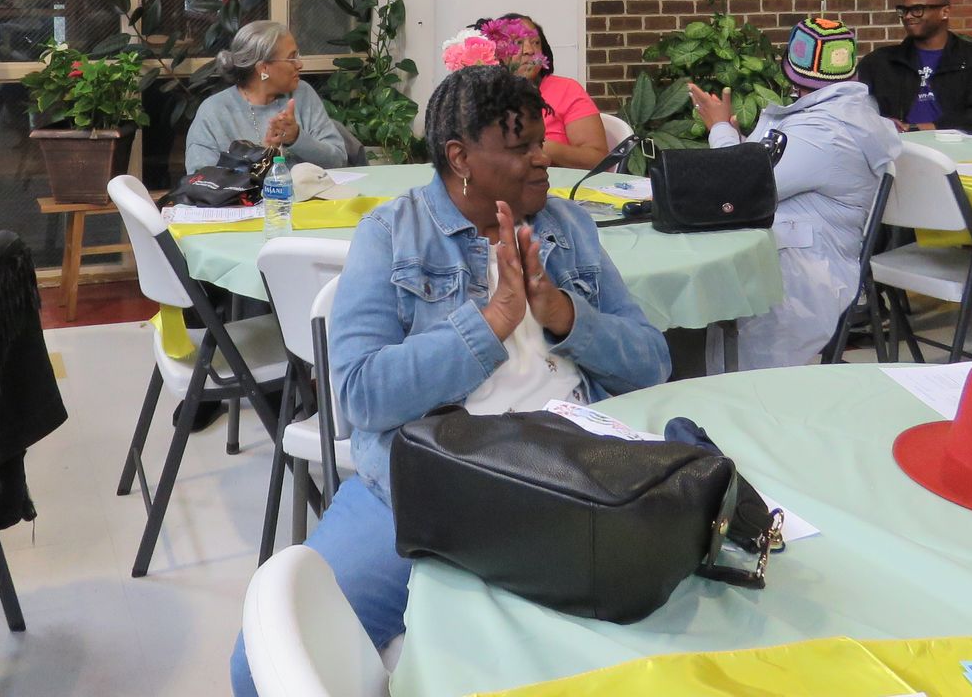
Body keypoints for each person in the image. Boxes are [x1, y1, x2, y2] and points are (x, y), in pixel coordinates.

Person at [229, 66, 669, 695]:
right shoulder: (392, 234)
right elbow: (360, 394)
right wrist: (490, 325)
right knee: (262, 666)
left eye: (541, 140)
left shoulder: (568, 228)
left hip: (576, 470)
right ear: (461, 157)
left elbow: (652, 362)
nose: (544, 158)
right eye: (521, 146)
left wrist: (565, 315)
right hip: (434, 483)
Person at [688, 16, 900, 370]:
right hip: (790, 257)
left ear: (790, 71)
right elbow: (771, 169)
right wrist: (736, 142)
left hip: (801, 276)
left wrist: (720, 129)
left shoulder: (824, 131)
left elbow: (740, 189)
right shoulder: (839, 115)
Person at [184, 19, 348, 173]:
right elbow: (200, 178)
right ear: (263, 68)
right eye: (291, 58)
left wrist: (296, 138)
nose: (299, 64)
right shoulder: (214, 111)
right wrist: (261, 157)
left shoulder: (302, 94)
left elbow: (338, 161)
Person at [857, 0, 972, 132]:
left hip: (955, 143)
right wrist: (882, 123)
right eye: (904, 10)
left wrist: (926, 128)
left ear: (944, 12)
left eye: (917, 10)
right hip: (897, 142)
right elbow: (855, 105)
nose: (908, 16)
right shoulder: (880, 62)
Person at [479, 13, 609, 168]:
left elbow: (599, 160)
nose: (529, 50)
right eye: (517, 42)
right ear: (495, 52)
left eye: (535, 42)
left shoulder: (566, 90)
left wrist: (542, 147)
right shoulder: (485, 94)